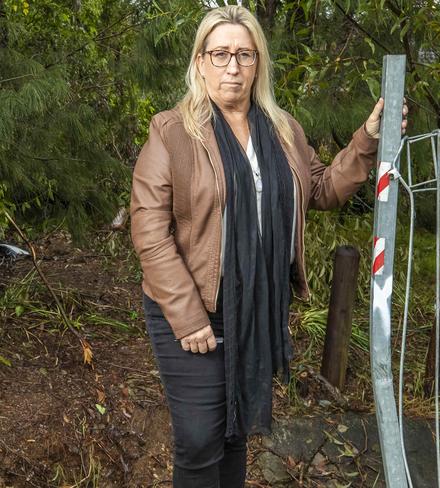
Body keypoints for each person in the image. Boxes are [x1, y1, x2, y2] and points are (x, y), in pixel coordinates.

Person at [130, 5, 407, 487]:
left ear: (258, 63)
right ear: (200, 62)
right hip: (192, 307)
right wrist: (188, 315)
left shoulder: (283, 130)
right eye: (219, 54)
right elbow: (149, 231)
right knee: (199, 438)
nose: (232, 66)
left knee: (235, 433)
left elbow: (319, 189)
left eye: (243, 54)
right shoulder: (172, 131)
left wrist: (368, 140)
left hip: (255, 306)